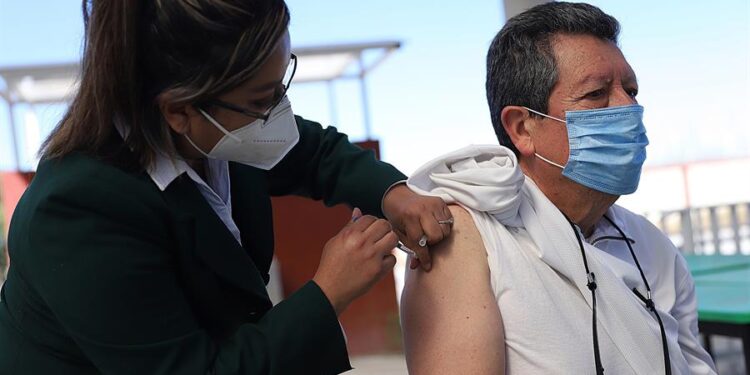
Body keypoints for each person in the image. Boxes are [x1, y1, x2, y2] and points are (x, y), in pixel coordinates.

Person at [0, 1, 452, 374]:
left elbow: (315, 153)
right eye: (261, 99)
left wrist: (395, 193)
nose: (279, 111)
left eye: (281, 83)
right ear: (178, 110)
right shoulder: (79, 212)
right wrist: (328, 292)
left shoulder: (218, 134)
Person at [400, 2, 717, 374]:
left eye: (630, 90)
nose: (628, 108)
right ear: (522, 128)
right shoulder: (468, 242)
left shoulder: (651, 245)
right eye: (597, 94)